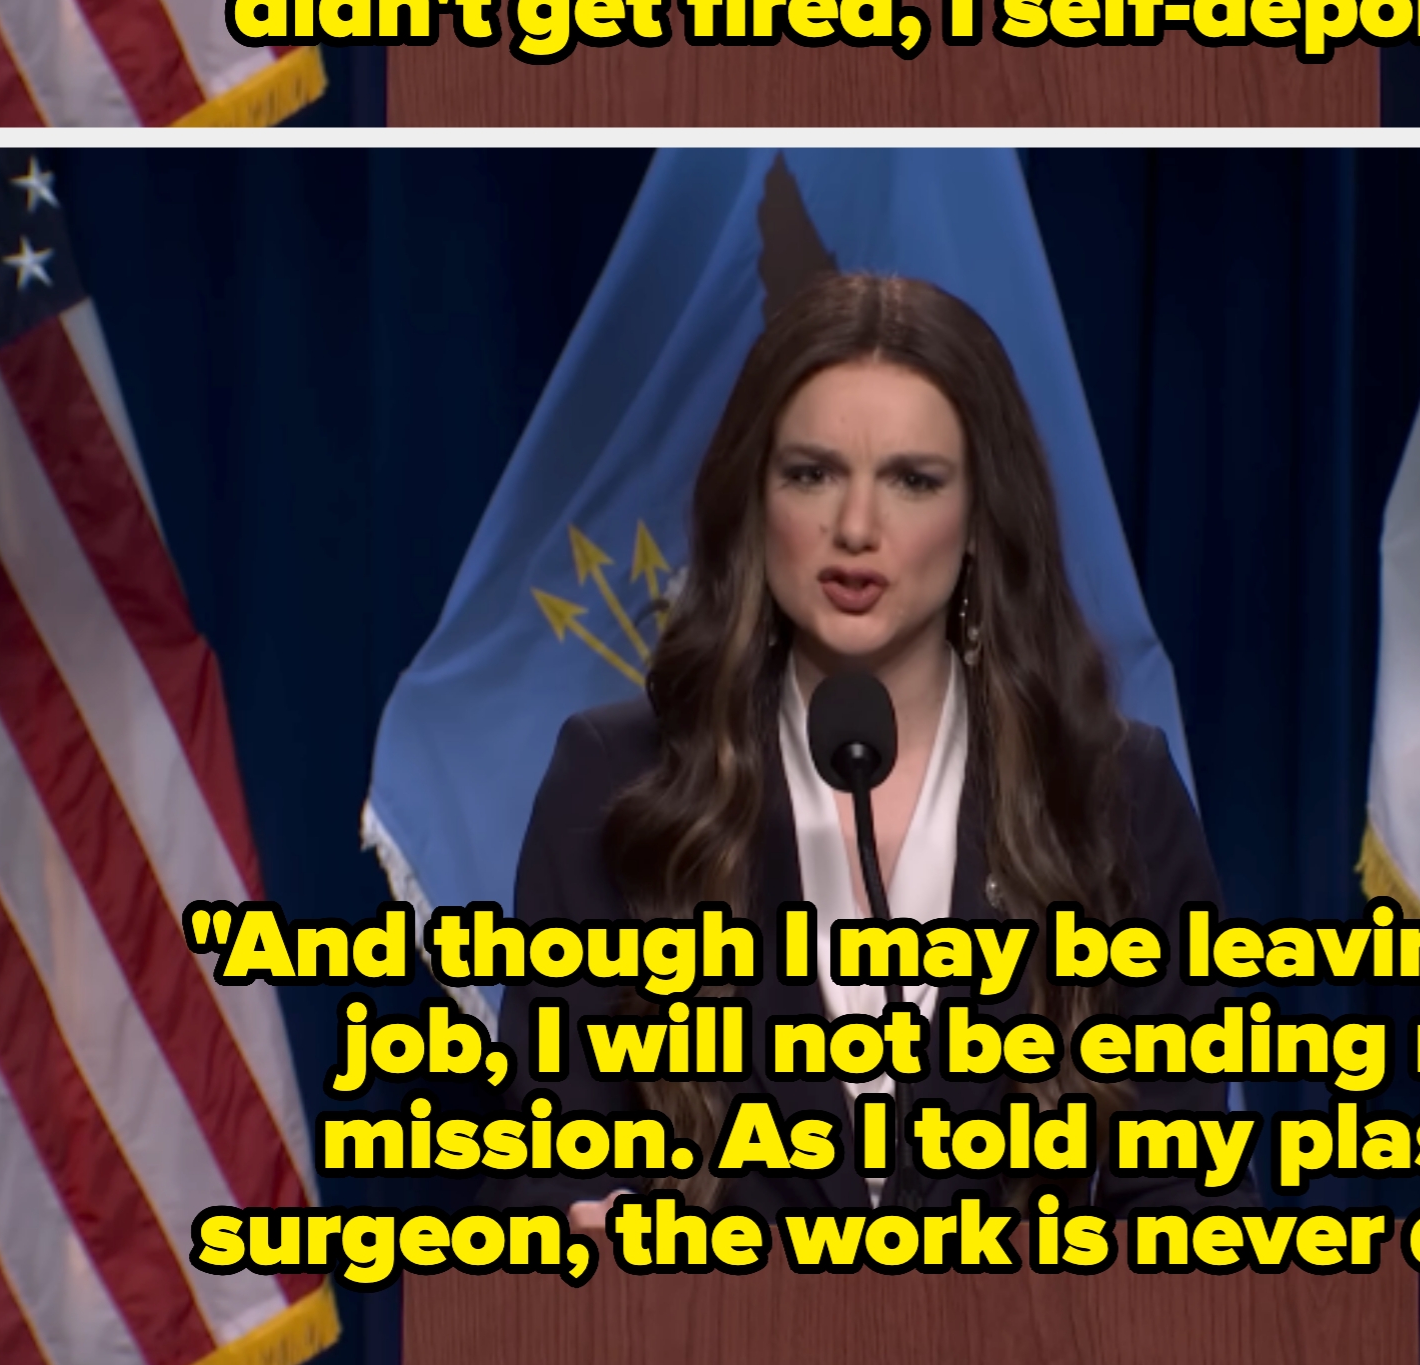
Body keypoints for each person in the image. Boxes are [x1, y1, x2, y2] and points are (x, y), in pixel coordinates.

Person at [499, 271, 1237, 1225]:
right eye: (810, 473)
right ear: (753, 501)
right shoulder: (617, 782)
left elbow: (1179, 1191)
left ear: (978, 518)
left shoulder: (1111, 793)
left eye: (912, 480)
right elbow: (540, 1165)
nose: (855, 527)